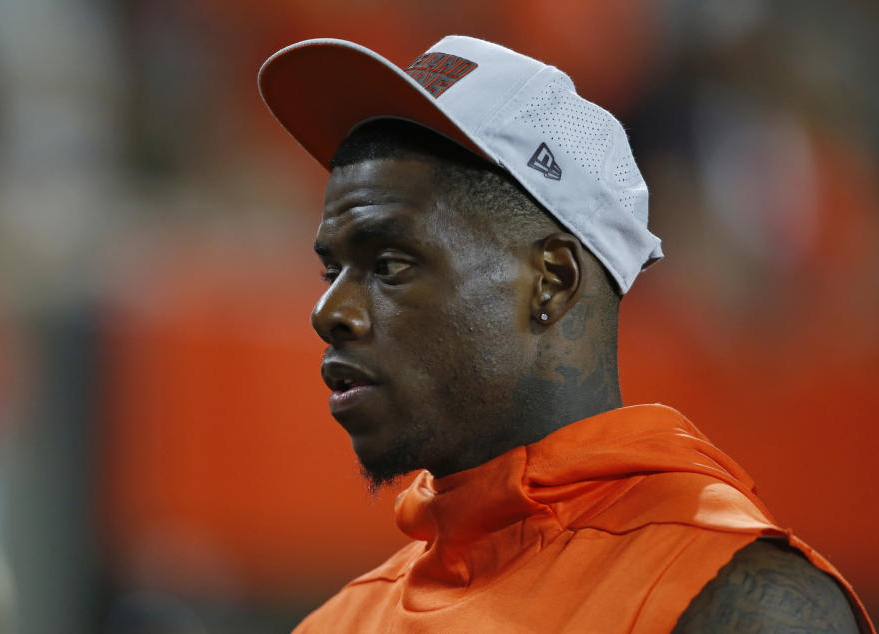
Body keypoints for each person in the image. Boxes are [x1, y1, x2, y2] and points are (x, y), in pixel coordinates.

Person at [258, 36, 875, 633]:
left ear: (552, 280)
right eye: (331, 269)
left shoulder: (732, 603)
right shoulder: (336, 624)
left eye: (389, 264)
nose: (327, 311)